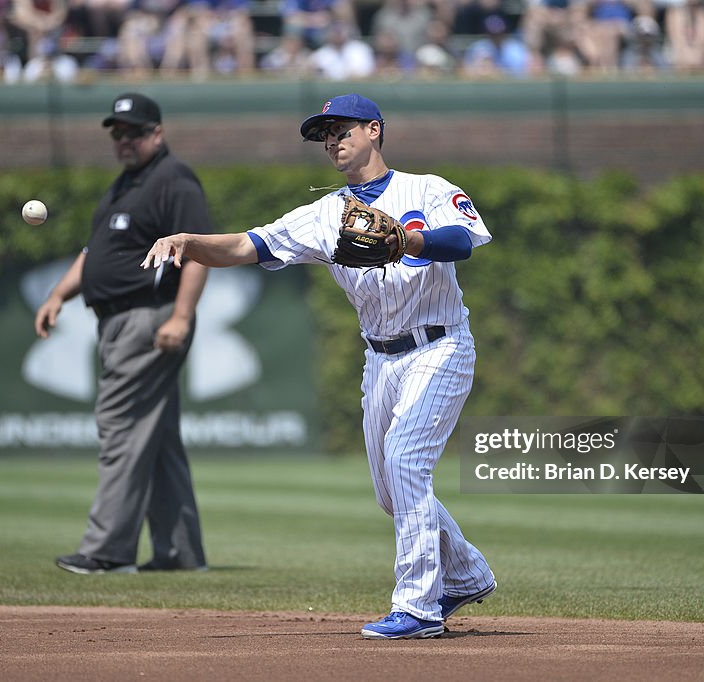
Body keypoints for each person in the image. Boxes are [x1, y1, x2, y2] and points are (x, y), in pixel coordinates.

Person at [140, 93, 497, 639]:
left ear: (374, 130)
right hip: (380, 358)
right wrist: (190, 242)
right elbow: (245, 245)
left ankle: (420, 608)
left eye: (342, 128)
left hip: (440, 346)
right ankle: (467, 573)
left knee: (405, 464)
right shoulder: (325, 214)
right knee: (390, 491)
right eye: (323, 133)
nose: (332, 139)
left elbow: (463, 241)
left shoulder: (427, 188)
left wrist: (405, 237)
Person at [37, 93, 212, 575]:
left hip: (148, 317)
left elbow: (197, 250)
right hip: (118, 320)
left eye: (133, 131)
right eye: (117, 133)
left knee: (119, 425)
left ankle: (107, 551)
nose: (124, 141)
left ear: (157, 132)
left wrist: (181, 316)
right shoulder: (124, 186)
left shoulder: (173, 179)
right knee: (154, 437)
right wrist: (58, 295)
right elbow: (95, 254)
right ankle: (179, 553)